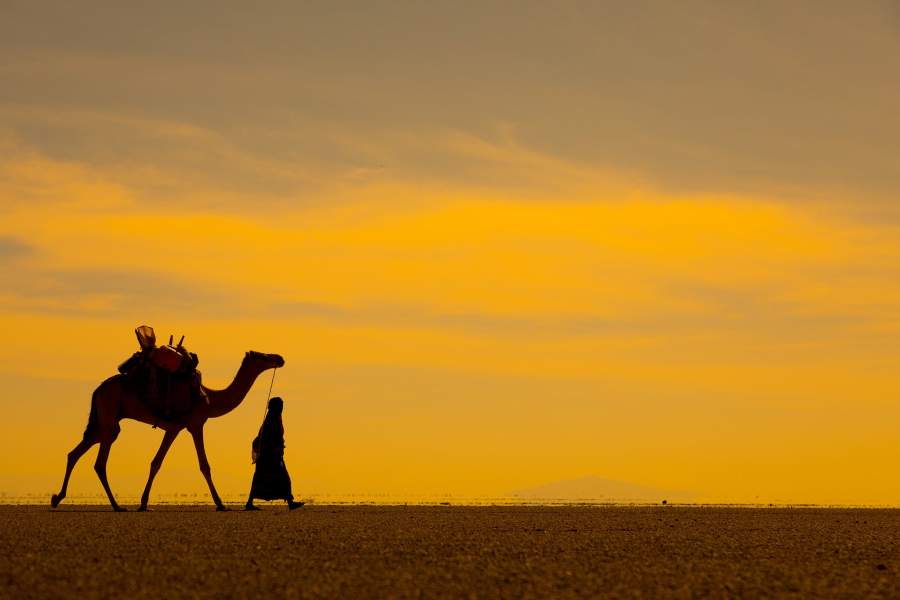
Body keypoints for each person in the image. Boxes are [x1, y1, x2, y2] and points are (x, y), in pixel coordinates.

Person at [245, 397, 303, 511]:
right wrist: (276, 449)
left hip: (272, 455)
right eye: (280, 406)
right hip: (269, 456)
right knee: (280, 478)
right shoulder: (271, 421)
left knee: (263, 478)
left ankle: (250, 502)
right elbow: (267, 438)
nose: (282, 408)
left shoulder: (275, 419)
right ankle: (290, 502)